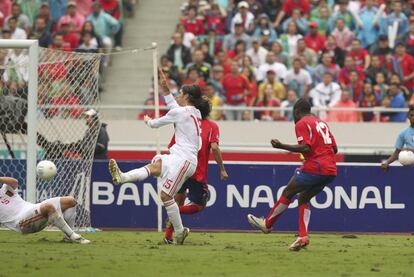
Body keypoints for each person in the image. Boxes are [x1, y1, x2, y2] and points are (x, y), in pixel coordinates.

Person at [108, 74, 205, 245]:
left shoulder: (180, 112)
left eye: (180, 93)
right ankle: (122, 178)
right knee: (154, 166)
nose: (178, 95)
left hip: (185, 160)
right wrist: (166, 91)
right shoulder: (195, 111)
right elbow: (175, 109)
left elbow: (155, 124)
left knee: (165, 195)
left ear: (187, 97)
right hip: (179, 156)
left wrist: (147, 120)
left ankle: (180, 231)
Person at [247, 98, 337, 251]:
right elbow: (334, 149)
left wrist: (281, 145)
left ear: (296, 111)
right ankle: (303, 237)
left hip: (316, 166)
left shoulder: (302, 123)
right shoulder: (322, 123)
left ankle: (267, 224)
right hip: (331, 170)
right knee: (303, 198)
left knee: (288, 192)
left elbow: (305, 147)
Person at [163, 98, 229, 244]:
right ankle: (177, 213)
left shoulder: (185, 123)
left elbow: (172, 145)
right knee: (199, 205)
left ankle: (168, 236)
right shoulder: (212, 126)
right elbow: (215, 148)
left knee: (178, 201)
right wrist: (222, 169)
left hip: (179, 167)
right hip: (196, 171)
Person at [0, 176, 90, 244]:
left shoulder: (4, 189)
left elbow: (15, 182)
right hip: (21, 222)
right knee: (48, 207)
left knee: (71, 201)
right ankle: (73, 236)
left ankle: (68, 237)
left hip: (31, 208)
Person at [381, 106, 414, 171]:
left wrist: (411, 150)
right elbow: (396, 153)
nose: (413, 117)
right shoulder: (403, 133)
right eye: (412, 115)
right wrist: (387, 162)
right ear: (408, 116)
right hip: (410, 168)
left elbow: (409, 150)